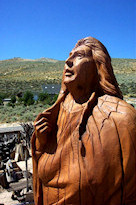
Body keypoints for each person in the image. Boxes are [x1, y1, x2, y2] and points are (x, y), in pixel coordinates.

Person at [31, 37, 136, 205]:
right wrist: (41, 145)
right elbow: (42, 173)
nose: (68, 61)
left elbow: (130, 190)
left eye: (78, 56)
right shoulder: (52, 116)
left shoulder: (120, 117)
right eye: (69, 56)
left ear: (97, 66)